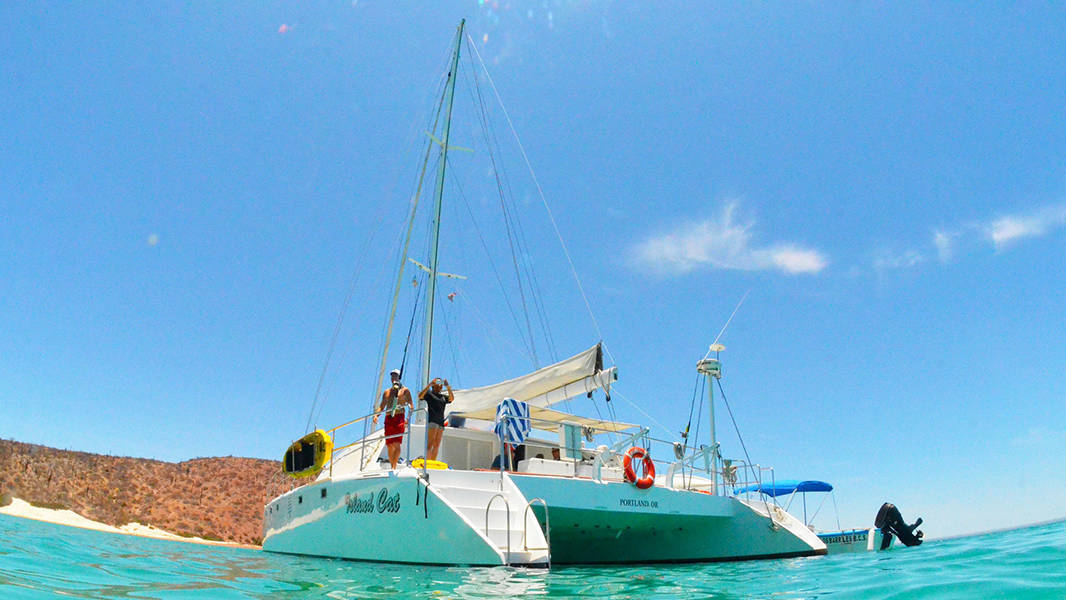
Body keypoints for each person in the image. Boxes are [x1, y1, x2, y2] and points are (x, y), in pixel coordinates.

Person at [373, 369, 412, 469]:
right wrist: (376, 415)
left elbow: (411, 406)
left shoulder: (405, 391)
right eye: (392, 376)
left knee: (397, 443)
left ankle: (394, 466)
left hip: (399, 417)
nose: (393, 378)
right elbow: (382, 406)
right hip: (389, 418)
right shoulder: (387, 392)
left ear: (399, 377)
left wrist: (408, 419)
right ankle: (392, 466)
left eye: (395, 376)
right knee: (390, 445)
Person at [418, 376, 453, 461]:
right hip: (432, 421)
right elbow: (420, 396)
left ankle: (432, 462)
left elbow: (451, 399)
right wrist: (429, 385)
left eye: (440, 383)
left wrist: (448, 387)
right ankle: (428, 462)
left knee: (437, 445)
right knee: (430, 444)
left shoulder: (443, 397)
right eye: (437, 383)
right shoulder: (429, 394)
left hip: (440, 422)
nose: (439, 385)